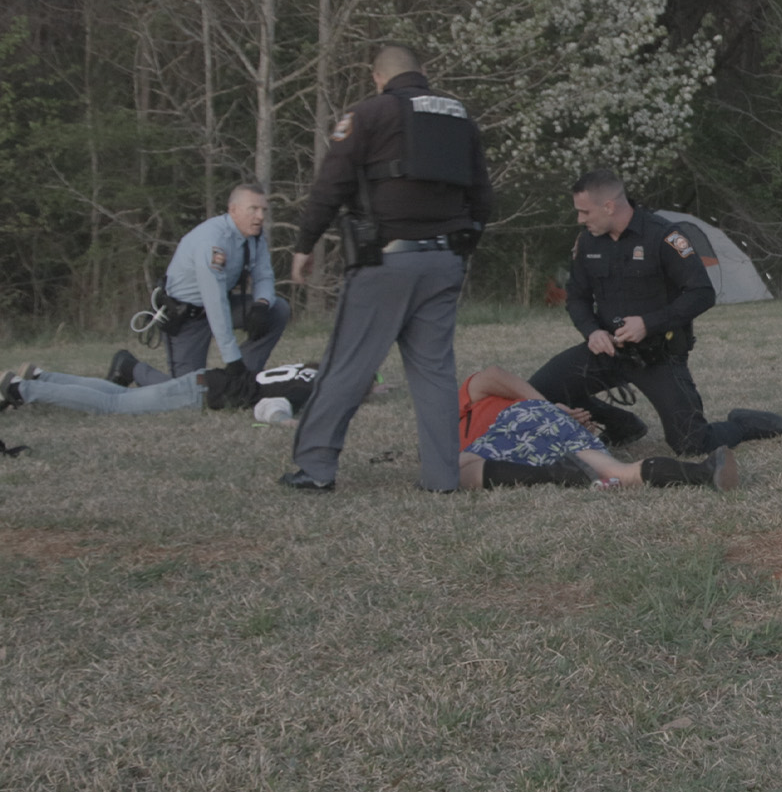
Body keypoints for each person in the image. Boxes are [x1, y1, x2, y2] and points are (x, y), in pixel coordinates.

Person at [279, 43, 493, 493]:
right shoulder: (459, 115)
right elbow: (482, 194)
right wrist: (462, 245)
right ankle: (441, 479)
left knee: (348, 366)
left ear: (377, 76)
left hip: (386, 262)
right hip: (444, 260)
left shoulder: (370, 114)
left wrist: (305, 243)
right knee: (434, 372)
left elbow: (332, 181)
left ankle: (315, 470)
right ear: (424, 72)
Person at [527, 169, 782, 463]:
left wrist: (648, 323)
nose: (580, 219)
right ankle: (621, 424)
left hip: (657, 354)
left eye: (584, 211)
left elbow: (702, 293)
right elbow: (576, 297)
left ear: (609, 206)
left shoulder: (664, 236)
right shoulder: (589, 242)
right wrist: (592, 331)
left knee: (691, 443)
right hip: (608, 350)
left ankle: (743, 424)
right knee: (537, 392)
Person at [113, 184, 290, 388]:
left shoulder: (255, 237)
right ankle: (128, 367)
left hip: (218, 305)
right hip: (187, 315)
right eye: (253, 209)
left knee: (277, 309)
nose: (260, 216)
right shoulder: (212, 241)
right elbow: (214, 301)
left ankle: (245, 379)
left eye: (263, 210)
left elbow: (264, 275)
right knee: (188, 392)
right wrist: (231, 358)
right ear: (233, 210)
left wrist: (261, 303)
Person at [456, 365, 737, 491]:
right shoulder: (457, 439)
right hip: (551, 439)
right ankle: (702, 472)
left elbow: (491, 375)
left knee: (455, 471)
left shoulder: (455, 416)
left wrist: (551, 406)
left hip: (529, 417)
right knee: (619, 474)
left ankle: (557, 474)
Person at [5, 360, 316, 418]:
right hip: (199, 393)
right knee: (112, 407)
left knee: (120, 395)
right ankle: (22, 388)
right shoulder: (310, 388)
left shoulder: (309, 367)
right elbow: (271, 410)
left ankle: (43, 376)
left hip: (207, 379)